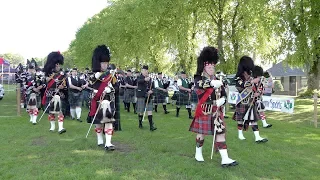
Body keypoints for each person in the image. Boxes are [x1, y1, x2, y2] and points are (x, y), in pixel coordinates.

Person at [189, 46, 238, 167]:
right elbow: (199, 85)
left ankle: (225, 158)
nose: (211, 68)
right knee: (201, 133)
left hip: (217, 111)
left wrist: (223, 100)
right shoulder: (198, 78)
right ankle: (198, 152)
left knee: (220, 132)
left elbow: (224, 94)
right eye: (209, 66)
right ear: (204, 66)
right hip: (205, 110)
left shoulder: (218, 79)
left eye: (213, 66)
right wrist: (211, 83)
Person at [87, 45, 117, 151]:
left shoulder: (111, 74)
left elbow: (116, 86)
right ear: (98, 62)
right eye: (103, 63)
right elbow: (93, 81)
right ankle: (100, 139)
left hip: (108, 100)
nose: (105, 65)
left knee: (108, 121)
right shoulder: (93, 74)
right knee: (98, 122)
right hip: (97, 100)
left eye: (106, 63)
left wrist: (111, 89)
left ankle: (108, 143)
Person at [233, 56, 268, 143]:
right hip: (242, 101)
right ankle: (240, 134)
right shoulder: (238, 77)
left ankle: (257, 137)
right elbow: (241, 86)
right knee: (240, 119)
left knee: (253, 119)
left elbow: (257, 87)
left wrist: (258, 92)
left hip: (252, 101)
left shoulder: (252, 75)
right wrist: (252, 81)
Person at [42, 51, 67, 134]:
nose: (58, 65)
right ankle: (52, 127)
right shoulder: (48, 73)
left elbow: (65, 84)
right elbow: (45, 81)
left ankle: (61, 127)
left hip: (59, 94)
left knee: (59, 111)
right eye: (57, 64)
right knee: (51, 112)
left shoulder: (63, 74)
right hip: (50, 93)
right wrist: (52, 76)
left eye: (59, 64)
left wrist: (62, 86)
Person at [136, 65, 157, 131]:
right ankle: (140, 123)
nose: (145, 72)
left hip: (149, 97)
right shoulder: (139, 77)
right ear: (142, 71)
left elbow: (153, 87)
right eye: (144, 70)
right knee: (141, 111)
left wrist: (151, 91)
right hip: (141, 96)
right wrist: (145, 79)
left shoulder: (150, 79)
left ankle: (151, 126)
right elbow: (139, 82)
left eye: (146, 71)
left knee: (150, 110)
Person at [25, 59, 45, 125]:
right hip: (29, 93)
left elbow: (44, 84)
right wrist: (33, 88)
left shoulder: (39, 76)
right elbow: (24, 85)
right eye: (30, 69)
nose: (31, 70)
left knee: (36, 107)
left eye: (32, 69)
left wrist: (40, 87)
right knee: (30, 107)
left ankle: (34, 120)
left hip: (37, 93)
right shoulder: (26, 76)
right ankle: (31, 117)